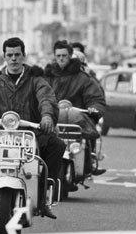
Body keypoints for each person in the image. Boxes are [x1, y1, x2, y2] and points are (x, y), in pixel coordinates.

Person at [0, 37, 63, 219]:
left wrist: (47, 116)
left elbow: (46, 98)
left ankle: (43, 197)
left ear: (24, 56)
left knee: (56, 145)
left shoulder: (36, 79)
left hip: (32, 133)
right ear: (4, 57)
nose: (13, 59)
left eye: (17, 55)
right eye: (9, 55)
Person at [44, 40, 106, 176]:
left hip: (76, 121)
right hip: (52, 120)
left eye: (64, 55)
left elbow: (96, 98)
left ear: (70, 56)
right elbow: (36, 95)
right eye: (58, 55)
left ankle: (88, 163)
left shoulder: (84, 78)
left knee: (87, 136)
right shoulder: (46, 76)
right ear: (54, 56)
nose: (61, 58)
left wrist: (94, 108)